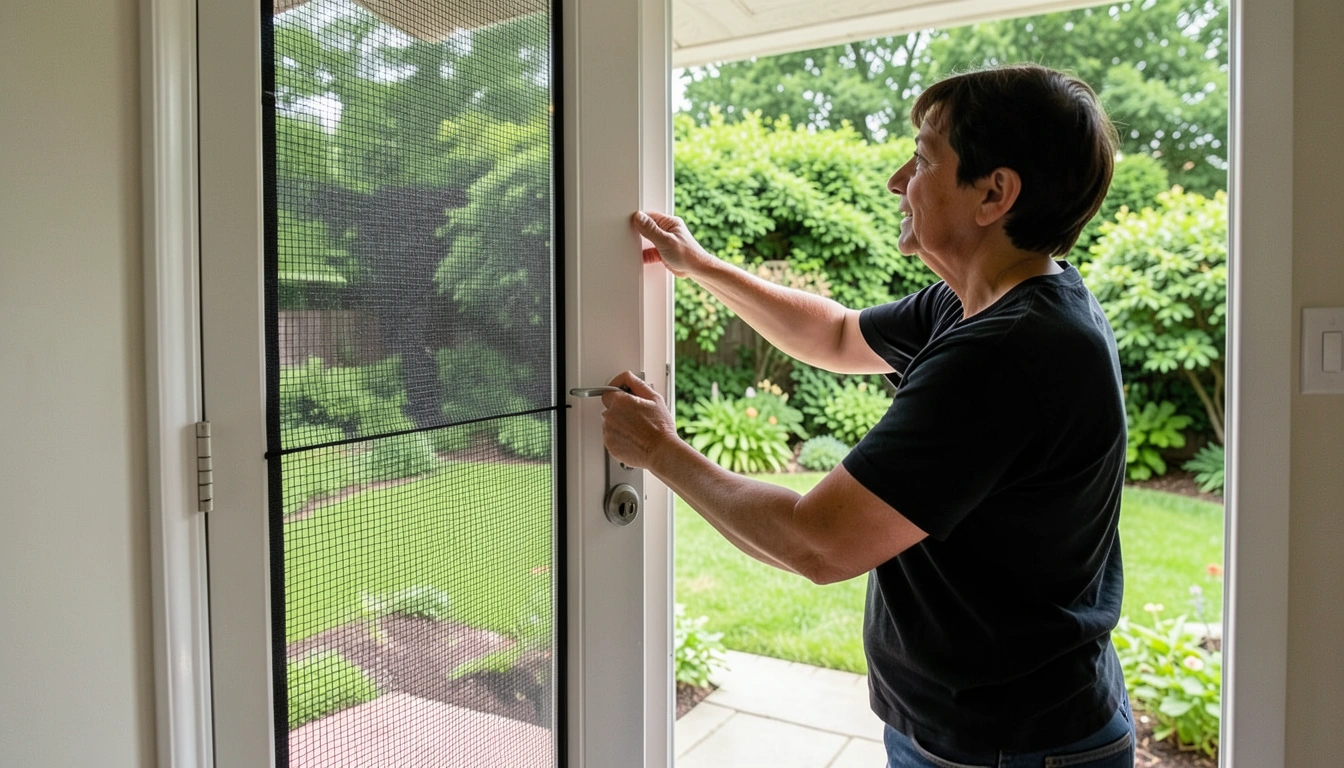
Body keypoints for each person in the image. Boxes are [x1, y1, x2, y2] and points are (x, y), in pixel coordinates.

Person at [604, 64, 1134, 768]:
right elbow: (833, 335)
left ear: (994, 194)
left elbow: (817, 543)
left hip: (1010, 746)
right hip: (971, 730)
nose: (896, 180)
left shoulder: (1009, 353)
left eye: (922, 158)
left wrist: (661, 451)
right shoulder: (985, 301)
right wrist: (699, 265)